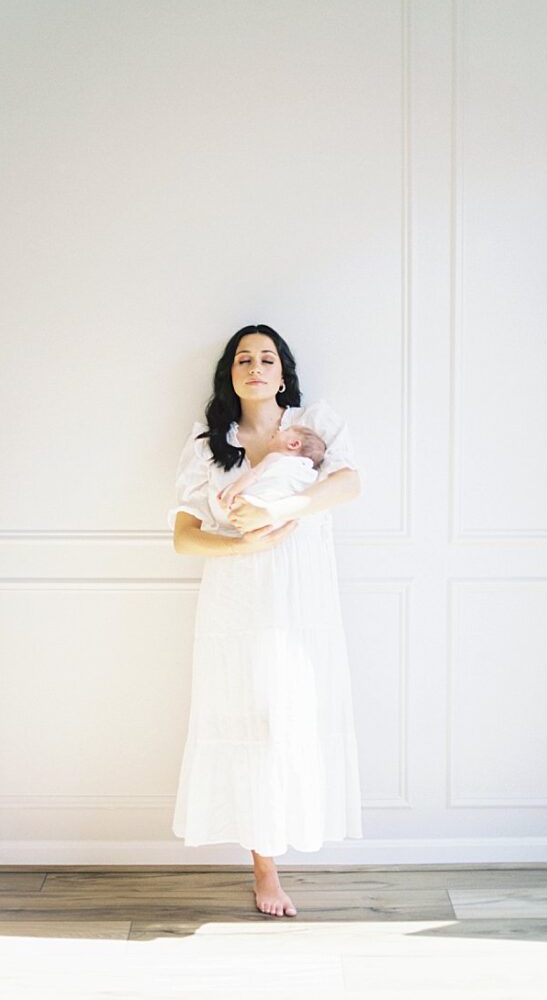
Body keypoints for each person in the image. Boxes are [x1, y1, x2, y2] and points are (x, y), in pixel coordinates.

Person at [168, 324, 364, 918]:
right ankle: (265, 869)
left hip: (301, 599)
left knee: (292, 717)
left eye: (267, 358)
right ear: (230, 374)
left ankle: (289, 833)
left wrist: (283, 508)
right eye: (243, 358)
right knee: (252, 723)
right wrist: (240, 548)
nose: (255, 366)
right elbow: (183, 539)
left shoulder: (313, 427)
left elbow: (350, 484)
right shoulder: (208, 446)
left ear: (283, 373)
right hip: (237, 599)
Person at [215, 423, 327, 532]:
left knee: (230, 496)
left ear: (293, 444)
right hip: (280, 518)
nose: (278, 431)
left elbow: (253, 475)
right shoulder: (308, 472)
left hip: (259, 503)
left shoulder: (276, 457)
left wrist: (230, 493)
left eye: (285, 430)